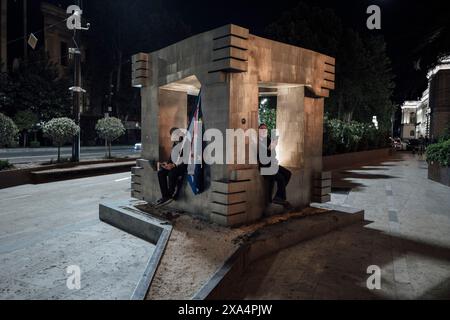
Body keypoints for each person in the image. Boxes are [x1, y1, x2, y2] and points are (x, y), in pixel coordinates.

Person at [258, 123, 292, 208]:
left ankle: (278, 196)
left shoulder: (268, 139)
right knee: (280, 178)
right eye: (261, 129)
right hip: (265, 167)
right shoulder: (257, 141)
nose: (263, 131)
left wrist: (271, 148)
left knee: (288, 173)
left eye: (265, 129)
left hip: (272, 164)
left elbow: (273, 153)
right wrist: (269, 149)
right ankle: (280, 198)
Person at [155, 128, 187, 206]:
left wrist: (174, 165)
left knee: (172, 174)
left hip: (183, 166)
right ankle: (165, 196)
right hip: (174, 165)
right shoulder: (175, 143)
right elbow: (172, 157)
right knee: (161, 172)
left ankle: (170, 195)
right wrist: (167, 164)